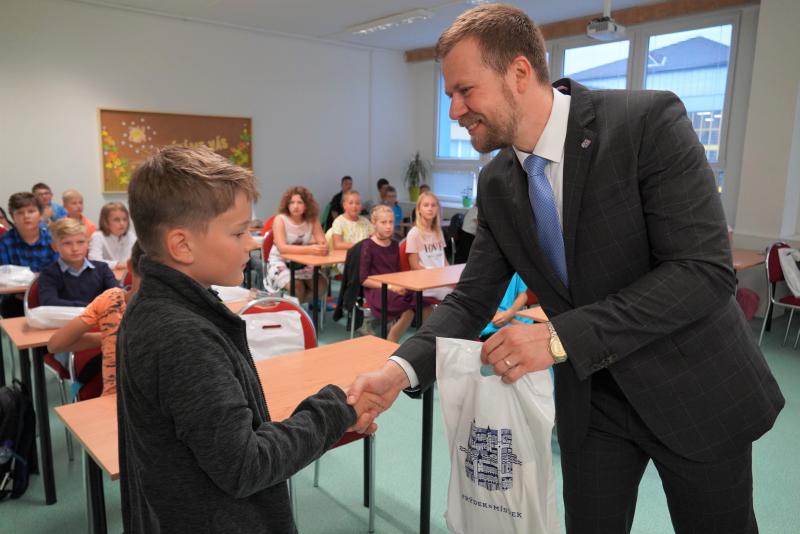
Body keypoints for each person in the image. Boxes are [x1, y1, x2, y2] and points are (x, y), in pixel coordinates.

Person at [347, 5, 784, 534]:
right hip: (593, 402)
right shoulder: (498, 183)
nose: (455, 110)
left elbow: (701, 272)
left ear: (519, 72)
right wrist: (398, 371)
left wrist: (558, 339)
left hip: (692, 387)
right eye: (449, 96)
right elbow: (471, 299)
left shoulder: (645, 123)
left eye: (465, 91)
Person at [117, 145, 381, 533]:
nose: (253, 243)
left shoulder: (157, 305)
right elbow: (245, 465)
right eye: (239, 232)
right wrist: (335, 409)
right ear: (182, 245)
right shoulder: (181, 336)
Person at [47, 241, 144, 396]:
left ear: (130, 266)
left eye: (81, 242)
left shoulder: (111, 299)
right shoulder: (111, 301)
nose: (75, 248)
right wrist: (108, 336)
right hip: (117, 404)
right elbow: (55, 345)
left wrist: (111, 335)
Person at [360, 205, 428, 343]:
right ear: (374, 223)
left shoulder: (394, 245)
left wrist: (400, 285)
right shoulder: (368, 246)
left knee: (424, 302)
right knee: (408, 311)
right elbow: (363, 279)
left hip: (393, 286)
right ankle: (391, 343)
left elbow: (397, 272)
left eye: (391, 222)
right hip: (376, 289)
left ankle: (426, 342)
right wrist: (391, 287)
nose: (388, 226)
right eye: (383, 222)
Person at [264, 186, 329, 302]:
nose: (295, 206)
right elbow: (282, 248)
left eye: (300, 202)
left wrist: (322, 247)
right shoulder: (280, 219)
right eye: (292, 202)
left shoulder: (312, 219)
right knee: (297, 287)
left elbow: (323, 243)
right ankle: (294, 307)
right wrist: (311, 249)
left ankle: (296, 306)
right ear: (287, 205)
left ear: (307, 205)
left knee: (321, 286)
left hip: (301, 263)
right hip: (280, 262)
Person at [0, 192, 60, 317]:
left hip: (49, 296)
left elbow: (58, 273)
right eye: (20, 213)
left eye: (31, 211)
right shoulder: (4, 243)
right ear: (12, 216)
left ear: (40, 214)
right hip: (15, 301)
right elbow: (5, 278)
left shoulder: (52, 240)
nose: (26, 216)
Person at [38, 218, 118, 307]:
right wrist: (92, 307)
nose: (75, 248)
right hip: (66, 316)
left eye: (80, 242)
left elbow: (117, 296)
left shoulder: (102, 269)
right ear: (55, 247)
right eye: (67, 243)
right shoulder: (48, 274)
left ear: (88, 243)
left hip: (100, 315)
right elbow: (49, 302)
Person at [405, 191, 452, 301]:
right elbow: (414, 266)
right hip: (425, 282)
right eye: (426, 205)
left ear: (437, 209)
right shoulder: (414, 233)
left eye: (433, 205)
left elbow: (444, 261)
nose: (430, 208)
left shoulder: (438, 231)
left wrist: (451, 276)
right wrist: (437, 277)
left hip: (441, 280)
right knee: (456, 296)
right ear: (419, 209)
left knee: (466, 289)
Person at [478, 272, 532, 341]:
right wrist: (513, 321)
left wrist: (511, 313)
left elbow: (523, 295)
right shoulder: (483, 270)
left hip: (516, 318)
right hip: (492, 323)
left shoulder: (518, 270)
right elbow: (480, 300)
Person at [89, 201, 137, 269]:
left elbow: (137, 258)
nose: (122, 223)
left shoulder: (130, 236)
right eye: (116, 220)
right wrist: (118, 264)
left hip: (127, 273)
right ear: (105, 222)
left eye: (125, 219)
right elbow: (94, 261)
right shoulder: (98, 236)